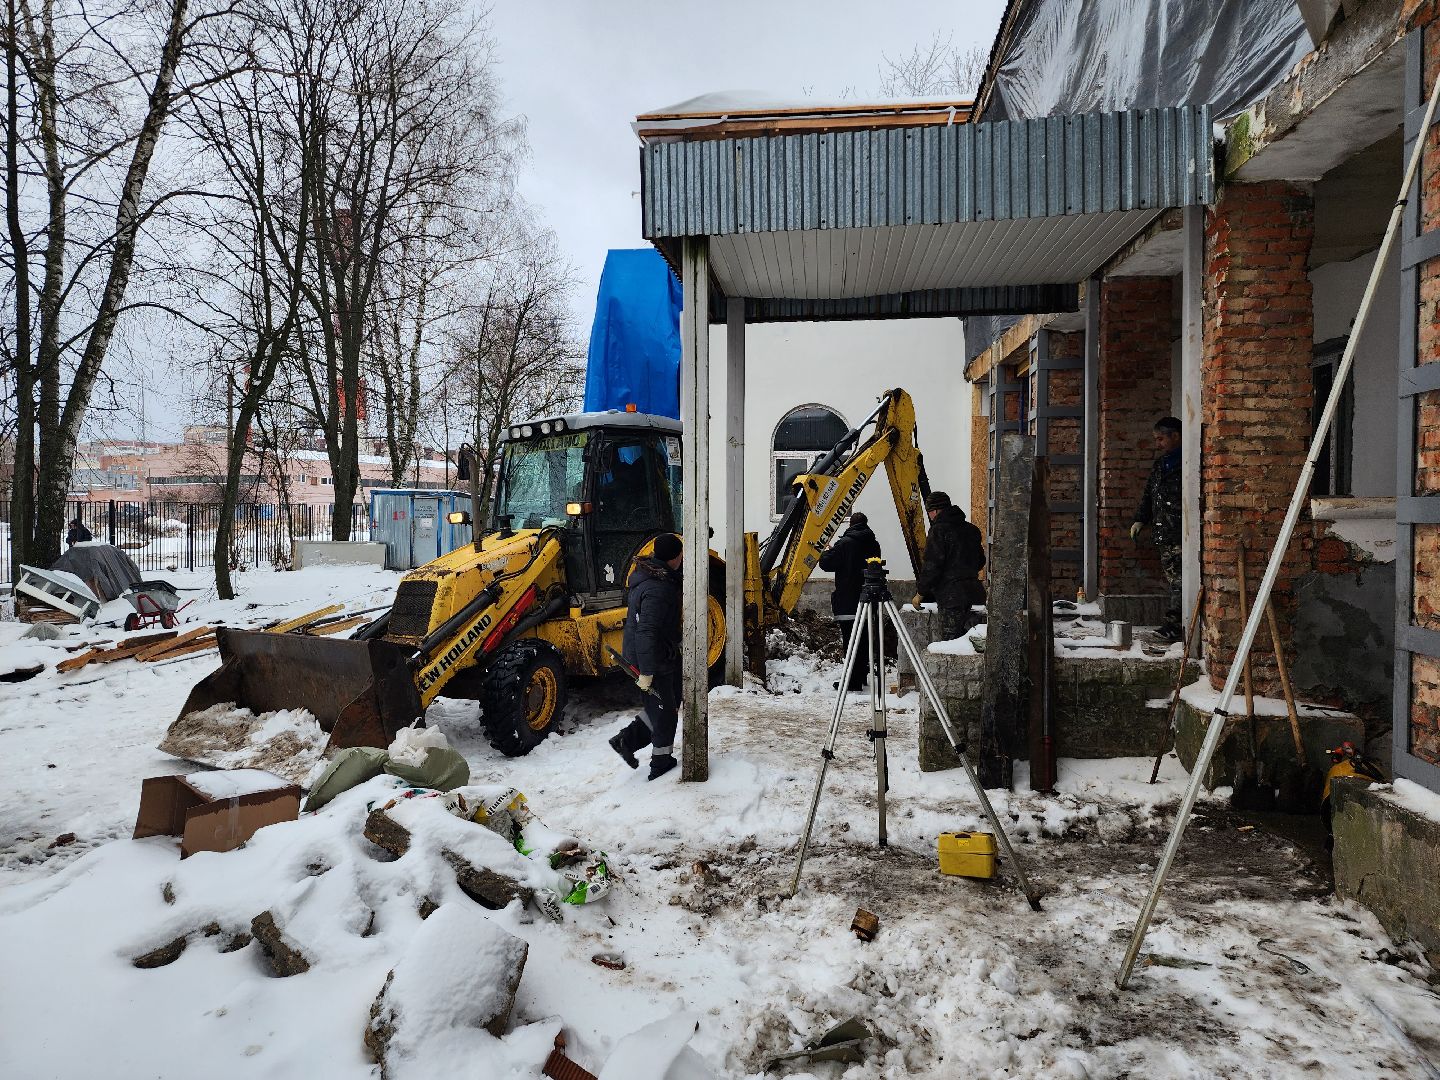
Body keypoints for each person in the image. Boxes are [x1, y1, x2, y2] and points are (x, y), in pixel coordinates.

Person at [609, 532, 683, 780]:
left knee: (665, 704)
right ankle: (661, 763)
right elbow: (647, 631)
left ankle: (626, 741)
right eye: (681, 555)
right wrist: (648, 671)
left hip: (659, 653)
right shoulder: (657, 589)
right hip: (652, 658)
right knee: (665, 711)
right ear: (674, 557)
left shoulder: (656, 575)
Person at [1131, 416, 1183, 641]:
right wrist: (1141, 519)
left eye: (1161, 439)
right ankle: (1174, 623)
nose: (1157, 444)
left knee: (1179, 581)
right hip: (1164, 533)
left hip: (1181, 532)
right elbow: (1149, 495)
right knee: (1173, 580)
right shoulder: (1162, 464)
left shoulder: (1187, 462)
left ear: (1176, 436)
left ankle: (1175, 625)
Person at [819, 512, 882, 691]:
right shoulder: (873, 544)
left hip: (848, 600)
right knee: (863, 640)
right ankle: (861, 676)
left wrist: (827, 551)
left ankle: (853, 682)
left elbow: (826, 564)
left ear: (850, 525)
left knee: (851, 641)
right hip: (868, 599)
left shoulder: (845, 543)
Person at [913, 491, 986, 640]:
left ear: (935, 511)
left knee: (951, 643)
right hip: (975, 594)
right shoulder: (972, 530)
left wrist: (920, 593)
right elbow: (980, 561)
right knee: (972, 642)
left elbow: (932, 565)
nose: (930, 516)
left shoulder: (938, 530)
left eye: (929, 512)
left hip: (951, 596)